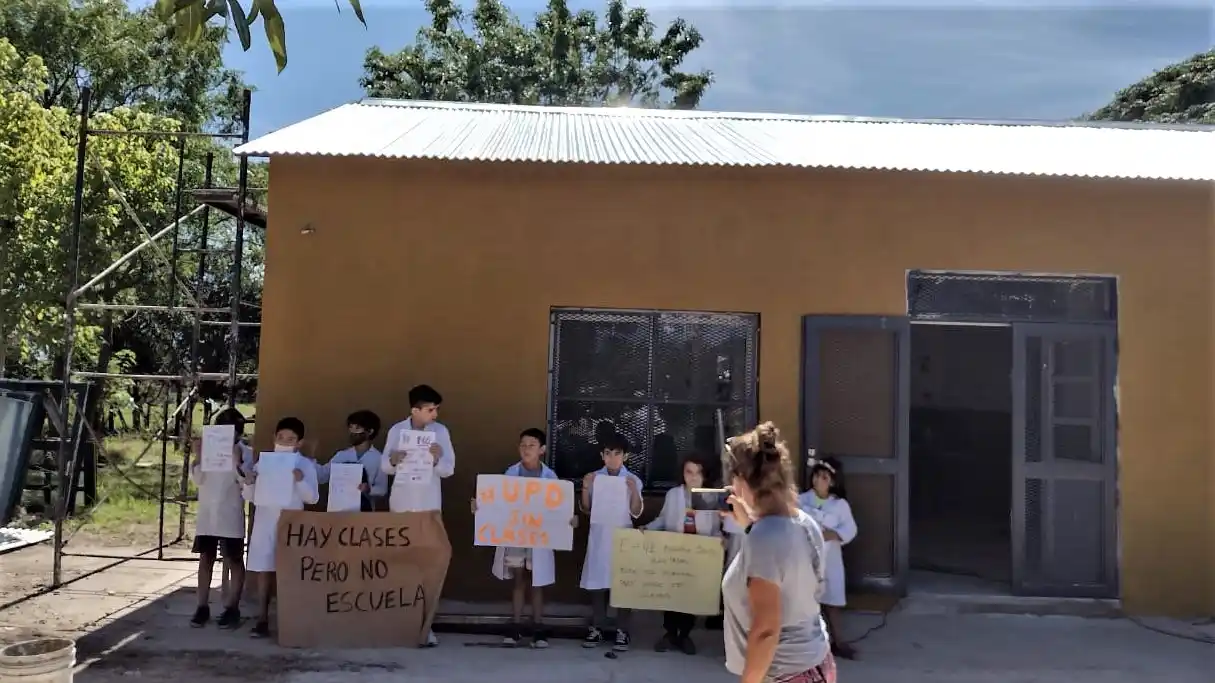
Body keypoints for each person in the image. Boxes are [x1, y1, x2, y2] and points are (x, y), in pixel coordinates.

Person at [721, 422, 836, 683]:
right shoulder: (804, 523)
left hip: (784, 674)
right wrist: (750, 526)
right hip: (815, 663)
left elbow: (766, 632)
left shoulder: (766, 538)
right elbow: (783, 569)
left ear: (742, 481)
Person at [475, 428, 573, 649]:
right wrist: (480, 508)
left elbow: (558, 509)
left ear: (542, 450)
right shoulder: (510, 474)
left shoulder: (550, 477)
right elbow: (497, 504)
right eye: (523, 445)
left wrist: (569, 521)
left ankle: (538, 628)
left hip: (539, 537)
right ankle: (516, 627)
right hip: (516, 536)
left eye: (531, 445)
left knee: (537, 581)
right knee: (518, 579)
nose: (526, 449)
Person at [381, 384, 455, 647]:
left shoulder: (440, 432)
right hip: (401, 505)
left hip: (428, 505)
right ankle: (400, 622)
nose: (435, 414)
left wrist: (437, 458)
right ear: (415, 410)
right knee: (401, 563)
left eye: (436, 410)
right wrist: (393, 458)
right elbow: (384, 467)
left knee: (427, 566)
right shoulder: (397, 430)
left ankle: (426, 624)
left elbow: (449, 469)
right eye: (430, 410)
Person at [243, 417, 320, 639]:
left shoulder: (304, 464)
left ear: (299, 443)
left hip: (290, 522)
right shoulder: (263, 463)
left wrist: (300, 480)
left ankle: (291, 620)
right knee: (265, 569)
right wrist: (249, 481)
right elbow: (250, 496)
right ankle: (262, 618)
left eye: (291, 439)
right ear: (274, 438)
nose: (285, 442)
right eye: (281, 437)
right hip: (265, 521)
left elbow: (313, 498)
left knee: (289, 570)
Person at [644, 454, 720, 654]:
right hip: (674, 551)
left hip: (699, 553)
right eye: (689, 472)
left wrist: (721, 540)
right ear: (683, 474)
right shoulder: (673, 495)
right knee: (671, 594)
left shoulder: (711, 497)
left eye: (698, 473)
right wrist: (647, 528)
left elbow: (716, 527)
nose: (693, 477)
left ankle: (685, 636)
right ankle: (669, 634)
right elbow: (662, 519)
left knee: (691, 596)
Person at [579, 431, 644, 652]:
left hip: (622, 537)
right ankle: (597, 627)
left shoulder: (632, 480)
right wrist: (586, 488)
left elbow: (636, 512)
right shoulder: (594, 477)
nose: (612, 458)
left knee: (622, 584)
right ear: (602, 455)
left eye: (617, 453)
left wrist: (634, 491)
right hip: (599, 536)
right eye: (608, 453)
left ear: (625, 456)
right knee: (597, 584)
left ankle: (622, 630)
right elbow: (587, 508)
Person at [188, 407, 252, 629]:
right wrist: (197, 456)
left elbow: (247, 482)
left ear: (238, 433)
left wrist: (237, 463)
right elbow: (197, 480)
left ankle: (232, 607)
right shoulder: (209, 449)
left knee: (234, 559)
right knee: (206, 558)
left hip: (230, 512)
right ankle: (202, 606)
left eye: (233, 431)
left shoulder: (245, 452)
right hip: (207, 514)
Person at [798, 458, 858, 660]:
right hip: (806, 558)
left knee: (832, 601)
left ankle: (838, 641)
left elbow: (850, 529)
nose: (819, 480)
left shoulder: (840, 505)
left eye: (824, 477)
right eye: (816, 475)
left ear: (832, 482)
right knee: (807, 601)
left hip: (830, 559)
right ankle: (809, 644)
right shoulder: (801, 500)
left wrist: (834, 535)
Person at [318, 410, 386, 512]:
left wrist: (369, 489)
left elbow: (382, 489)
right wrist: (309, 463)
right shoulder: (341, 456)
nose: (353, 432)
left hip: (364, 512)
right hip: (338, 510)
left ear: (370, 431)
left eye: (357, 428)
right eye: (351, 428)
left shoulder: (379, 458)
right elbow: (322, 476)